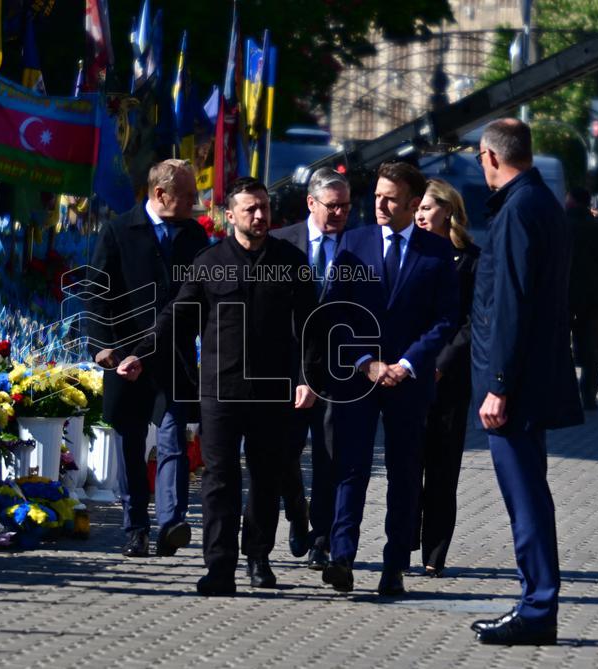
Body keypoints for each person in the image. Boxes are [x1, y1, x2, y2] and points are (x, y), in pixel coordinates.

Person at [117, 177, 323, 595]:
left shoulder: (291, 261)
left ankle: (259, 558)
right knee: (220, 481)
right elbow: (176, 317)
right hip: (220, 392)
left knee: (266, 477)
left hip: (272, 390)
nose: (260, 215)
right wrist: (139, 353)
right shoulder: (209, 262)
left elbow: (311, 328)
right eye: (250, 209)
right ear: (230, 216)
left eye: (263, 207)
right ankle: (220, 567)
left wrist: (307, 379)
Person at [469, 119, 583, 645]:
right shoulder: (543, 202)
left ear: (492, 157)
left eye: (480, 160)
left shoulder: (517, 209)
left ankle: (537, 608)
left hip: (514, 387)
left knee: (527, 497)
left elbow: (512, 304)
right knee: (530, 494)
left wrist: (498, 383)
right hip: (531, 379)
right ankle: (536, 603)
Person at [322, 162, 458, 596]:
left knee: (404, 473)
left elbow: (447, 318)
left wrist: (408, 363)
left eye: (391, 198)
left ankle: (394, 566)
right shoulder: (353, 242)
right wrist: (365, 361)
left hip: (409, 380)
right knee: (352, 468)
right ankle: (342, 557)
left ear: (414, 204)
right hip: (359, 378)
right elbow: (335, 310)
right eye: (377, 195)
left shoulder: (436, 253)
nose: (379, 204)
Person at [85, 160, 208, 559]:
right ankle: (136, 526)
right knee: (131, 444)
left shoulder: (194, 236)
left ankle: (172, 523)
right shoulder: (119, 231)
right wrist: (103, 349)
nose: (196, 201)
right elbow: (96, 297)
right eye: (189, 195)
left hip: (175, 359)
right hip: (126, 358)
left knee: (174, 440)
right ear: (161, 195)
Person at [269, 167, 348, 568]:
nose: (339, 213)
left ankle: (321, 536)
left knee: (329, 456)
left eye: (345, 206)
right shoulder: (281, 244)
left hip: (336, 371)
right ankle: (297, 513)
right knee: (284, 453)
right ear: (311, 203)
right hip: (288, 368)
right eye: (331, 206)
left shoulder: (357, 246)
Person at [411, 178, 480, 577]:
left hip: (449, 379)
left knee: (441, 467)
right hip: (408, 372)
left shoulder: (470, 259)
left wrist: (441, 363)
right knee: (407, 463)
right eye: (417, 208)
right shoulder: (408, 252)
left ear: (448, 211)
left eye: (427, 207)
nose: (420, 214)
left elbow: (472, 321)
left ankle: (435, 553)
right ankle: (403, 540)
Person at [566, 187, 598, 410]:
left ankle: (565, 393)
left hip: (566, 296)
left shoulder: (562, 227)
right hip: (596, 298)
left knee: (560, 346)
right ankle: (589, 394)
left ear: (573, 202)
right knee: (590, 349)